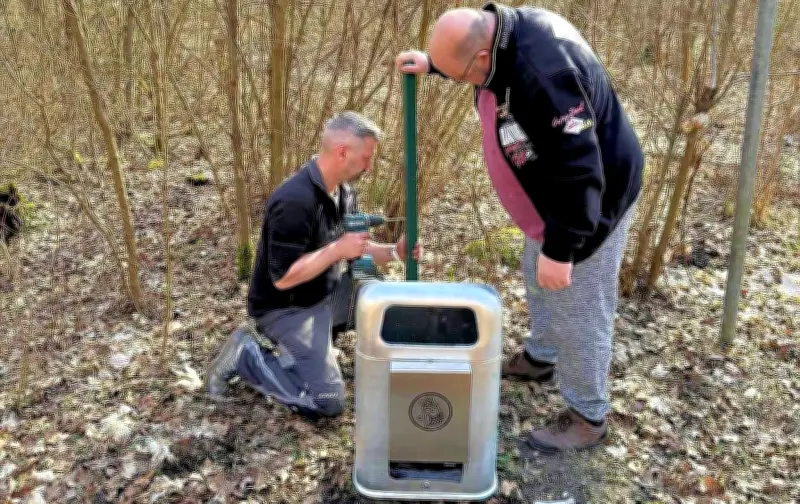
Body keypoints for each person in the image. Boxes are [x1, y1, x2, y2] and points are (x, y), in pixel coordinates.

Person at [395, 2, 643, 452]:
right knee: (535, 273)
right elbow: (469, 56)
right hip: (551, 199)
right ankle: (541, 357)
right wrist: (435, 65)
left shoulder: (546, 78)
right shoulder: (499, 36)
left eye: (462, 75)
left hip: (592, 204)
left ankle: (588, 416)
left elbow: (580, 171)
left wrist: (563, 249)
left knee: (579, 309)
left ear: (482, 57)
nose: (463, 82)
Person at [205, 111, 420, 419]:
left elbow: (354, 248)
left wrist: (395, 253)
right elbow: (283, 278)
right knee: (328, 402)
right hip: (287, 310)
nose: (369, 167)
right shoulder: (294, 200)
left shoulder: (344, 192)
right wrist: (336, 250)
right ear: (342, 152)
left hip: (326, 297)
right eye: (366, 158)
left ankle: (336, 349)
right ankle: (246, 355)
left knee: (384, 300)